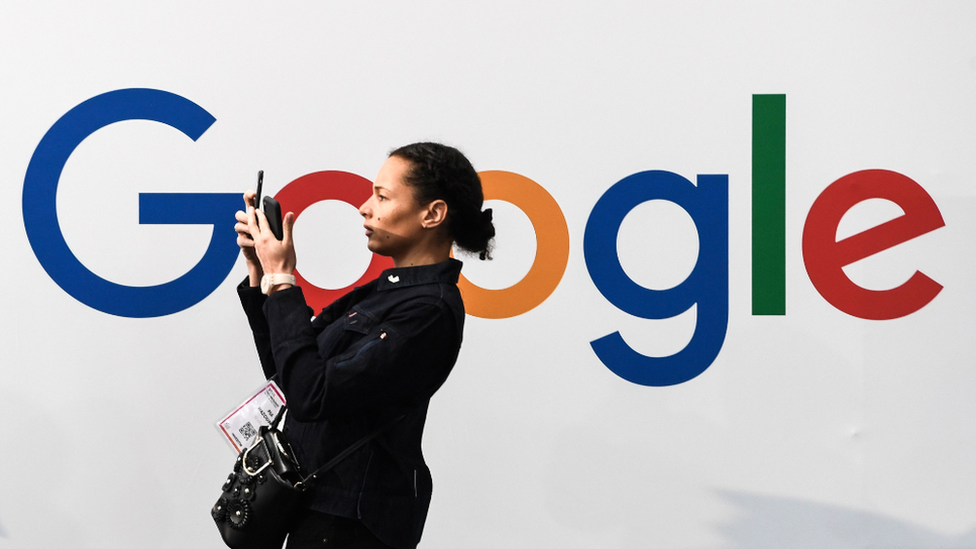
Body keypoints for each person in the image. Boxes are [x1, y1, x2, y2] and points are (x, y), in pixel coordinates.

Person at [234, 142, 494, 549]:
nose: (364, 207)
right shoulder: (381, 293)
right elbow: (289, 375)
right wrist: (261, 275)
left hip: (352, 524)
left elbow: (311, 394)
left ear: (433, 214)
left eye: (382, 196)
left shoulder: (429, 312)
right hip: (315, 512)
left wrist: (283, 278)